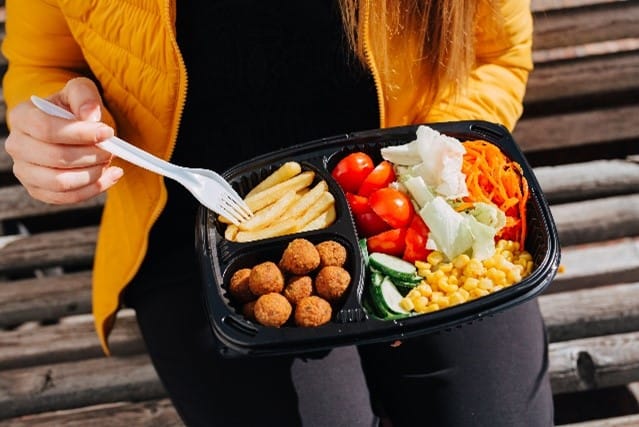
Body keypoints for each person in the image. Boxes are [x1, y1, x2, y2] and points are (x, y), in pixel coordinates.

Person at [1, 0, 552, 425]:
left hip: (417, 214)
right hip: (196, 240)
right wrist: (52, 128)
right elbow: (44, 63)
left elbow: (493, 55)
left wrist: (432, 175)